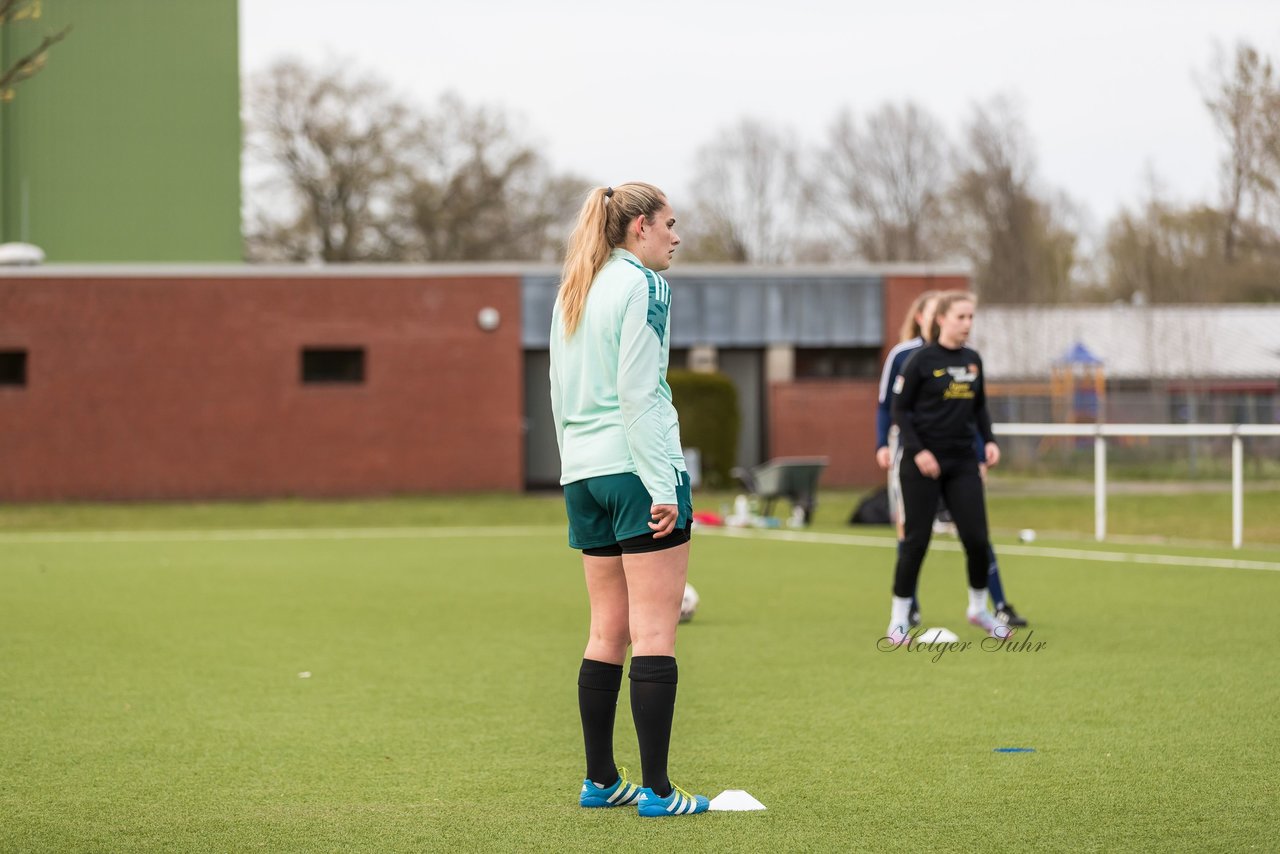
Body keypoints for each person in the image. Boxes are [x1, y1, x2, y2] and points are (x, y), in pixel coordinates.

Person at [549, 183, 709, 818]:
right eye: (670, 224)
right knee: (654, 634)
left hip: (582, 476)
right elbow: (641, 392)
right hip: (636, 473)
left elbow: (558, 392)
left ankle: (600, 780)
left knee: (605, 631)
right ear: (639, 227)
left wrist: (575, 468)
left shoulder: (574, 288)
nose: (676, 237)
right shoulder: (644, 284)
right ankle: (659, 793)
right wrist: (663, 485)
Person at [875, 291, 1028, 629]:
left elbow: (979, 407)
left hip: (962, 463)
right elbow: (899, 410)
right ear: (941, 319)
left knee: (976, 539)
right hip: (921, 464)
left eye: (971, 317)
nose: (967, 324)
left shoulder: (973, 360)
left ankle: (978, 609)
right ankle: (899, 616)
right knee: (916, 541)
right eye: (961, 317)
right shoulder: (920, 360)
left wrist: (988, 442)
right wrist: (920, 452)